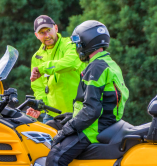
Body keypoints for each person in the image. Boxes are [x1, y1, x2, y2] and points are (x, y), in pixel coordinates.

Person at [46, 20, 129, 166]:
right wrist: (72, 117)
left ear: (87, 43)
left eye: (77, 42)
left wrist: (69, 127)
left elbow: (92, 110)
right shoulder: (109, 63)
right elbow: (102, 102)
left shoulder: (96, 67)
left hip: (94, 128)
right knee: (49, 126)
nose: (77, 47)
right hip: (104, 122)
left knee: (55, 157)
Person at [27, 15, 86, 123]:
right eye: (42, 33)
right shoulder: (36, 57)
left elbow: (71, 63)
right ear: (36, 35)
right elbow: (38, 87)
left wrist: (43, 68)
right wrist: (39, 105)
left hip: (77, 113)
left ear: (56, 28)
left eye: (49, 30)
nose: (47, 35)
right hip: (51, 115)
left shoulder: (70, 44)